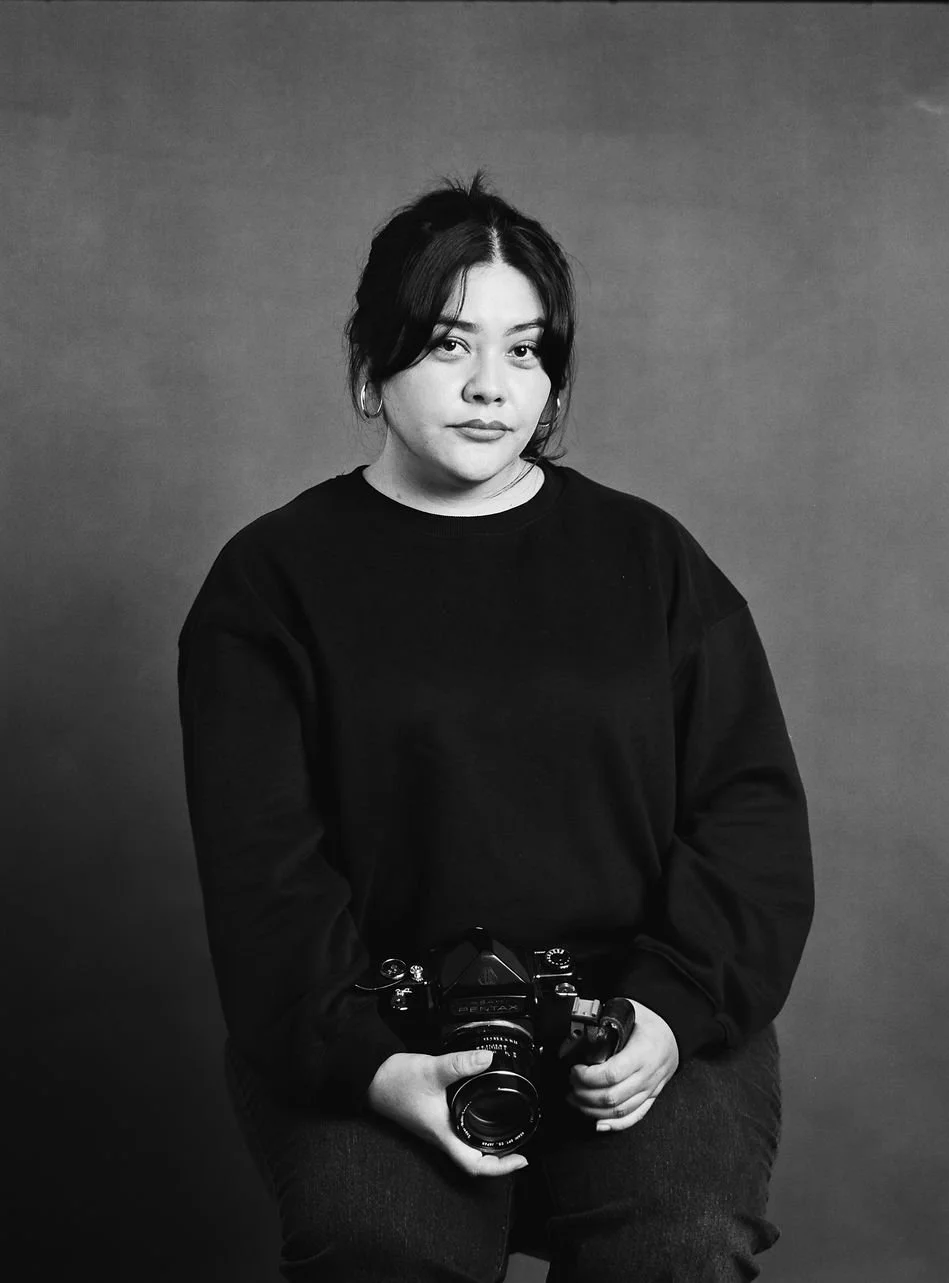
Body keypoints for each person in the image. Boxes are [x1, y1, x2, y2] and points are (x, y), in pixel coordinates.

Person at [177, 172, 814, 1283]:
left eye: (525, 352)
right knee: (379, 1250)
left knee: (672, 1246)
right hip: (375, 1028)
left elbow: (749, 812)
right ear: (370, 364)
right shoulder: (269, 583)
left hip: (632, 1019)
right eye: (445, 344)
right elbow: (263, 877)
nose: (489, 387)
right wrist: (376, 1066)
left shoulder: (651, 561)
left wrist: (664, 1013)